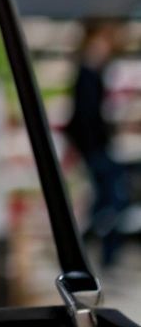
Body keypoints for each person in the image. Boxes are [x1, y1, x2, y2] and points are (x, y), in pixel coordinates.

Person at [68, 19, 129, 266]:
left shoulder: (93, 73)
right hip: (96, 149)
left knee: (105, 201)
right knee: (112, 200)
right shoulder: (88, 74)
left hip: (96, 148)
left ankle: (88, 253)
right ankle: (96, 253)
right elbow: (85, 117)